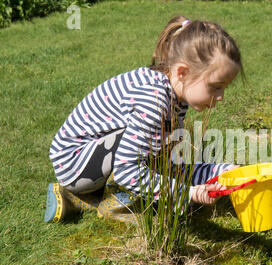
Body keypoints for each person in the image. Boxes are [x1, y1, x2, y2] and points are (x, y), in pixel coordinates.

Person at [44, 15, 243, 223]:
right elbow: (126, 169)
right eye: (216, 86)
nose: (221, 97)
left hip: (98, 157)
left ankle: (79, 200)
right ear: (183, 72)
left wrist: (220, 172)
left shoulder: (175, 93)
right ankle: (115, 204)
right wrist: (187, 194)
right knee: (152, 152)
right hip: (74, 162)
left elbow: (172, 162)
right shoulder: (154, 102)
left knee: (164, 148)